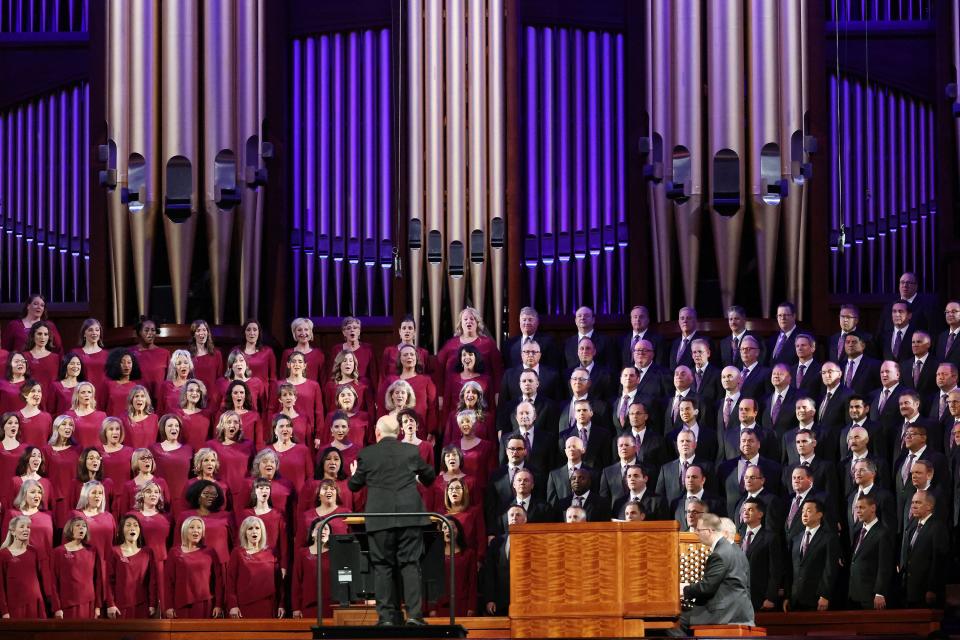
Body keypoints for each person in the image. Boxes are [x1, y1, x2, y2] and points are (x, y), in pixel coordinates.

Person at [347, 415, 436, 626]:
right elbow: (430, 477)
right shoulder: (411, 451)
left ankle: (386, 618)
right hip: (410, 517)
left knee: (382, 566)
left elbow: (354, 486)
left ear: (378, 433)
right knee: (410, 564)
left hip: (380, 519)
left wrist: (353, 475)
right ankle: (414, 616)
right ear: (398, 433)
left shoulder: (367, 454)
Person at [668, 513, 754, 636]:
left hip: (726, 612)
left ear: (709, 531)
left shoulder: (719, 553)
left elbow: (706, 588)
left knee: (673, 622)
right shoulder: (734, 549)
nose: (696, 533)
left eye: (698, 530)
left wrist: (684, 590)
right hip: (739, 609)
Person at [164, 516, 224, 618]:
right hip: (181, 604)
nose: (196, 531)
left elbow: (218, 580)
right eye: (192, 527)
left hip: (205, 603)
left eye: (199, 528)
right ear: (185, 530)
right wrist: (169, 606)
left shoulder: (210, 551)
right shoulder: (174, 552)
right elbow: (168, 581)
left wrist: (218, 604)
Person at [225, 516, 284, 618]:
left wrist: (281, 604)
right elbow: (230, 581)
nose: (254, 531)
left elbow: (279, 582)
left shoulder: (271, 552)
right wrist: (233, 605)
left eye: (257, 528)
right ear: (244, 532)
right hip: (245, 605)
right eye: (250, 528)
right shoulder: (237, 553)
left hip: (268, 605)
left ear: (262, 531)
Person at [105, 514, 159, 618]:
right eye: (128, 525)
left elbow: (153, 581)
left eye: (135, 525)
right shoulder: (114, 551)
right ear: (122, 529)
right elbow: (109, 581)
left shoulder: (147, 552)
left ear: (139, 530)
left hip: (143, 605)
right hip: (120, 607)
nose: (132, 528)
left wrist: (153, 604)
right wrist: (111, 604)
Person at [0, 515, 54, 619]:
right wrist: (4, 611)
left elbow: (43, 580)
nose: (26, 529)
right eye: (22, 527)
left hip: (36, 605)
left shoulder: (34, 552)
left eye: (28, 527)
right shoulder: (3, 555)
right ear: (12, 531)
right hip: (14, 608)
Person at [50, 516, 102, 619]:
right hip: (67, 605)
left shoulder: (92, 551)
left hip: (88, 603)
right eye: (77, 526)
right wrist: (57, 607)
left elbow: (98, 580)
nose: (81, 528)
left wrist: (97, 606)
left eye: (84, 526)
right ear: (70, 529)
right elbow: (53, 582)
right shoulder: (58, 552)